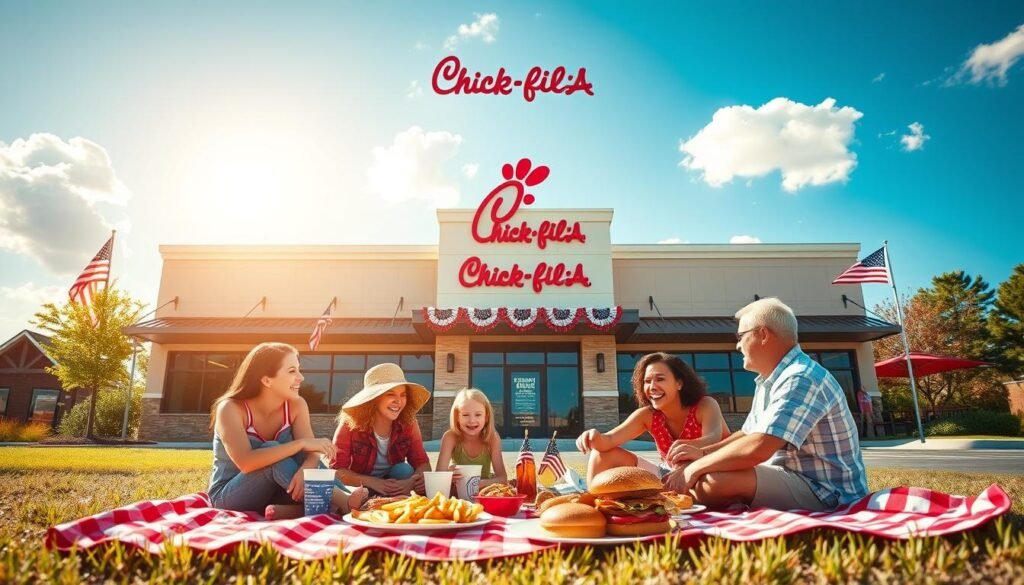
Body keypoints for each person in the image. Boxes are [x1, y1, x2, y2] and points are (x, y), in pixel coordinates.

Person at [665, 297, 868, 512]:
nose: (737, 344)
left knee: (713, 482)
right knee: (708, 477)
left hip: (828, 494)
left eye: (741, 336)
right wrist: (703, 454)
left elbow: (759, 447)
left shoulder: (801, 377)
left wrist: (694, 468)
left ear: (763, 334)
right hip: (792, 479)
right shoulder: (769, 380)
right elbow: (747, 434)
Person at [207, 342, 367, 516]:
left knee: (303, 459)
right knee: (273, 451)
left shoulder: (296, 405)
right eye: (292, 371)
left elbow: (311, 452)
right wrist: (300, 444)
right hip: (230, 497)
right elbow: (246, 463)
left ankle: (299, 509)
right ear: (267, 380)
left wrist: (305, 467)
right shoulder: (230, 409)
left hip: (279, 489)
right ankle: (342, 500)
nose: (301, 377)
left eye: (299, 370)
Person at [575, 352, 730, 487]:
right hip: (668, 474)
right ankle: (594, 504)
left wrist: (686, 448)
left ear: (679, 383)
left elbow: (713, 438)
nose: (652, 387)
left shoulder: (706, 404)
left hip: (711, 469)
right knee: (602, 454)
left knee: (714, 483)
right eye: (647, 381)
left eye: (660, 379)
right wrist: (593, 438)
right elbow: (608, 441)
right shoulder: (647, 415)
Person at [331, 362, 432, 497]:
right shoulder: (349, 424)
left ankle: (393, 498)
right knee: (354, 493)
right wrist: (373, 482)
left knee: (404, 470)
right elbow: (337, 470)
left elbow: (423, 464)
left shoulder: (409, 423)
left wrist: (410, 483)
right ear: (374, 399)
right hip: (361, 484)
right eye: (390, 394)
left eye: (403, 395)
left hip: (394, 482)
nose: (399, 401)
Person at [435, 388, 508, 489]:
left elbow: (503, 479)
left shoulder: (492, 438)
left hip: (483, 493)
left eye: (478, 415)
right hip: (457, 492)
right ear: (457, 417)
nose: (472, 420)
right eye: (465, 415)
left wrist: (479, 484)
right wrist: (448, 475)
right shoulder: (450, 437)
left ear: (486, 417)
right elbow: (439, 475)